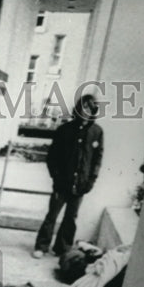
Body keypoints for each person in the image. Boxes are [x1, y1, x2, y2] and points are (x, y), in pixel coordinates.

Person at [33, 95, 104, 259]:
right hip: (62, 183)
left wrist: (90, 181)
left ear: (94, 111)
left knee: (71, 217)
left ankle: (62, 248)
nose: (86, 112)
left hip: (80, 184)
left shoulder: (97, 132)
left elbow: (97, 159)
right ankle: (41, 246)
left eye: (90, 109)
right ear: (78, 109)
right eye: (84, 108)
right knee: (52, 215)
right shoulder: (64, 130)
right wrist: (56, 177)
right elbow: (52, 157)